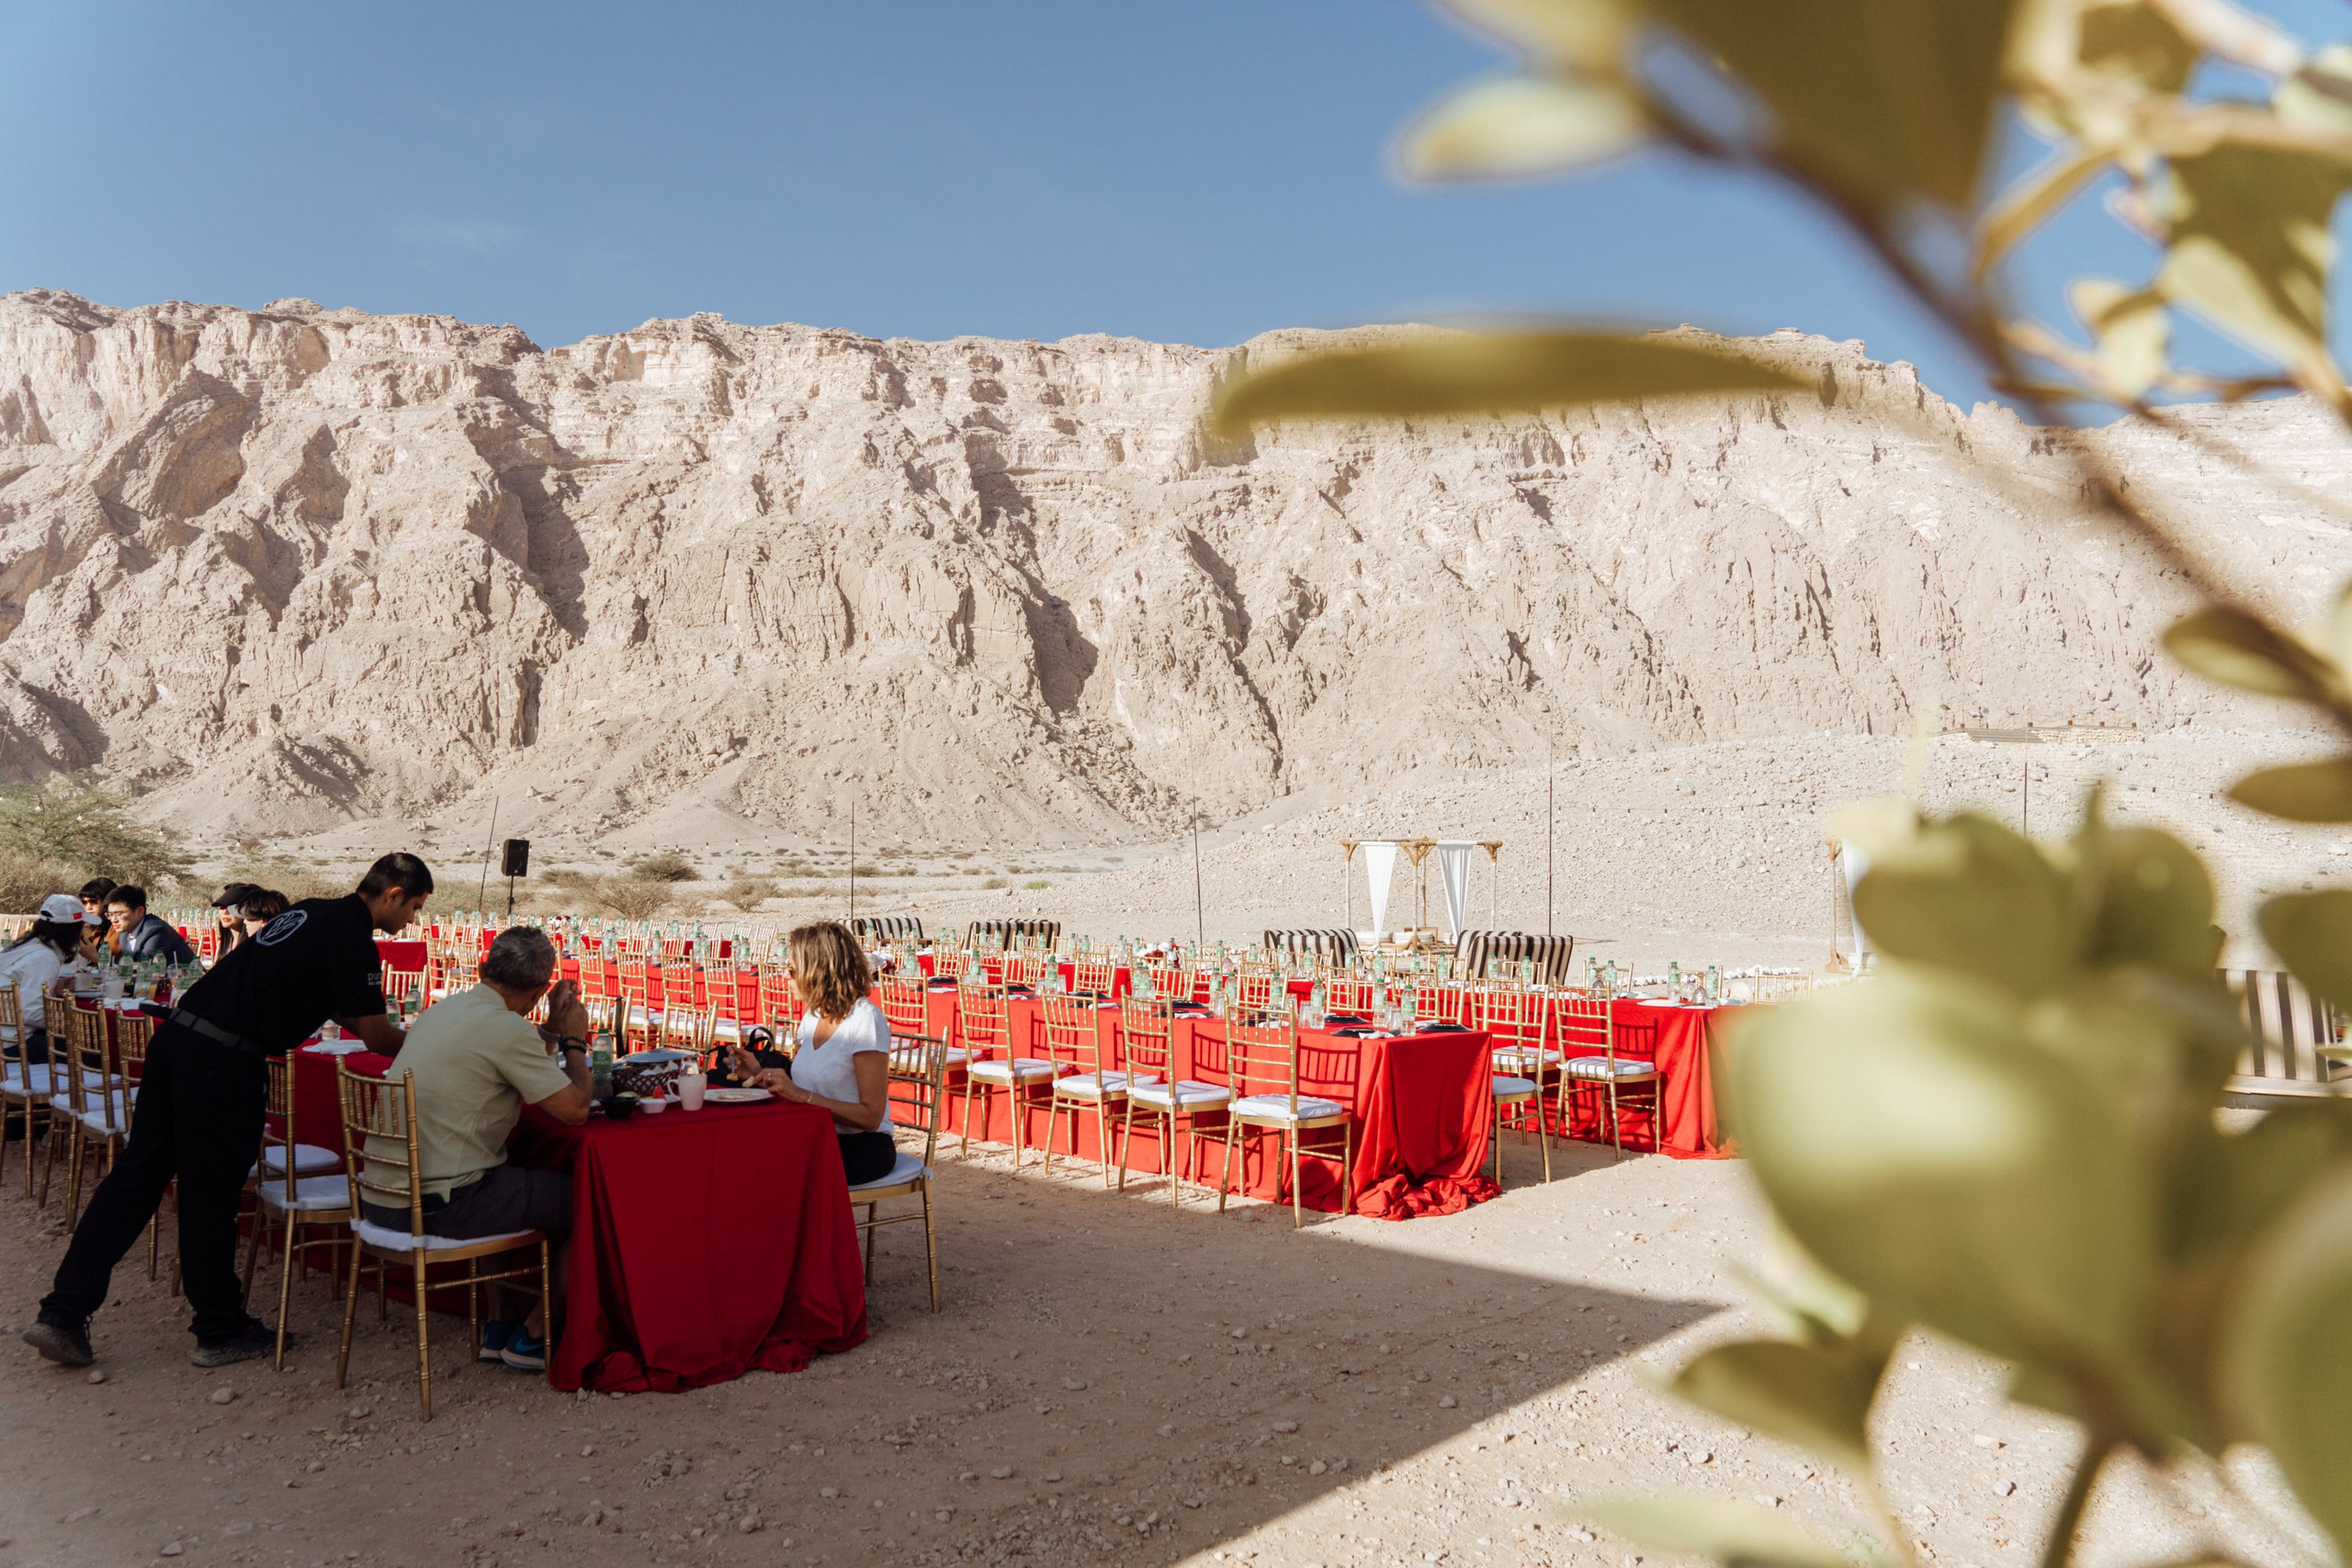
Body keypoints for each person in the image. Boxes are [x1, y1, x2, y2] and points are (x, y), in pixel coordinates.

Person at [24, 852, 434, 1371]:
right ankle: (219, 1328)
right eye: (414, 907)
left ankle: (62, 1312)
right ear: (394, 893)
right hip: (224, 1060)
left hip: (180, 1040)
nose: (412, 920)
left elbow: (327, 998)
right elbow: (374, 1033)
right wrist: (436, 1045)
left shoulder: (309, 912)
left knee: (137, 1177)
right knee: (210, 1196)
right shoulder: (353, 937)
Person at [361, 925, 592, 1371]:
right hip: (440, 1204)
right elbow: (575, 1110)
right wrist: (574, 1040)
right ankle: (535, 1332)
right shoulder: (505, 1030)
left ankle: (498, 1322)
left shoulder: (442, 1010)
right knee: (592, 1197)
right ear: (542, 989)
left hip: (381, 1198)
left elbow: (512, 1054)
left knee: (501, 1176)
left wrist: (544, 1029)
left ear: (484, 968)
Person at [728, 921, 897, 1184]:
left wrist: (801, 1096)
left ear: (818, 971)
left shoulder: (864, 1020)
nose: (786, 976)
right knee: (738, 1145)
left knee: (768, 1167)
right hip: (814, 1133)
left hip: (861, 1146)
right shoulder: (814, 1014)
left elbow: (871, 1117)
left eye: (792, 970)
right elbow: (807, 1089)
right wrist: (759, 1074)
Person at [0, 895, 98, 1064]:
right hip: (13, 1043)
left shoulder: (27, 944)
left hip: (7, 1037)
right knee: (91, 1052)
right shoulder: (45, 957)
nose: (86, 930)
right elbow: (31, 1012)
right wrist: (72, 1022)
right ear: (72, 929)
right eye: (83, 925)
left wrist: (54, 989)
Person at [102, 886, 196, 966]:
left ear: (139, 911)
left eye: (118, 914)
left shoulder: (155, 930)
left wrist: (98, 958)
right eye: (110, 915)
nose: (113, 920)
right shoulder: (124, 933)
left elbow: (143, 967)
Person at [210, 883, 258, 954]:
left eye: (232, 908)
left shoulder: (254, 947)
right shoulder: (229, 942)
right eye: (222, 907)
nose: (225, 912)